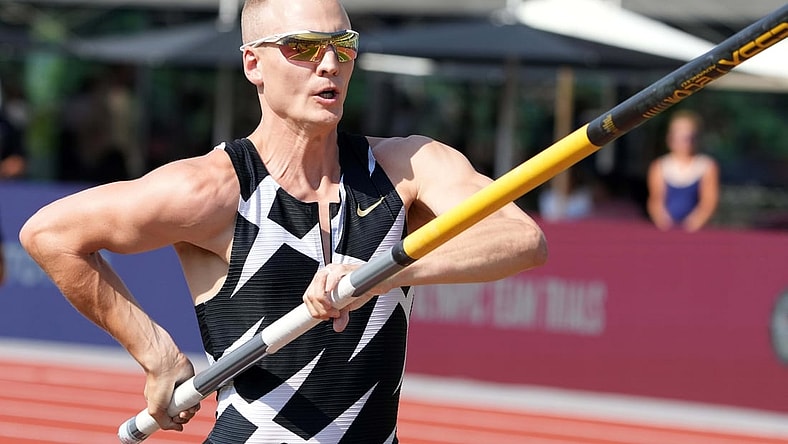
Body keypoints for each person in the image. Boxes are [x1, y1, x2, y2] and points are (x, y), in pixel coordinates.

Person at [19, 0, 547, 442]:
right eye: (303, 47)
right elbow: (50, 235)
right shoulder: (214, 189)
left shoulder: (405, 168)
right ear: (253, 64)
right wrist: (156, 354)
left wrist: (380, 275)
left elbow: (522, 239)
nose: (329, 64)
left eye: (343, 46)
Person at [647, 110, 719, 232]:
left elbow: (709, 202)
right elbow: (656, 200)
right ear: (670, 137)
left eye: (688, 137)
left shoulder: (706, 166)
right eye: (679, 135)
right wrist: (664, 222)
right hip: (665, 228)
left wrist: (693, 224)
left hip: (696, 230)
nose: (684, 141)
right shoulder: (659, 166)